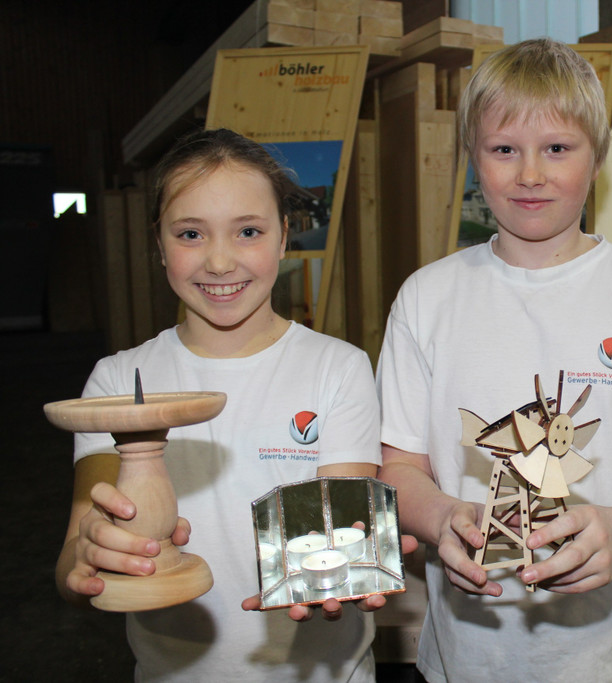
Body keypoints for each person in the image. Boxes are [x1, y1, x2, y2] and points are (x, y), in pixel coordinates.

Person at [375, 37, 612, 682]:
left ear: (598, 156)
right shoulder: (426, 298)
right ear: (472, 156)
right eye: (504, 149)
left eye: (557, 148)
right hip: (464, 662)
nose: (530, 174)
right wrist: (444, 518)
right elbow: (398, 467)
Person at [55, 128, 399, 681]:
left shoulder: (338, 368)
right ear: (158, 243)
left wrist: (357, 565)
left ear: (284, 237)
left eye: (248, 231)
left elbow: (342, 532)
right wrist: (91, 559)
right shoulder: (118, 381)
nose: (219, 262)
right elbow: (74, 564)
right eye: (191, 233)